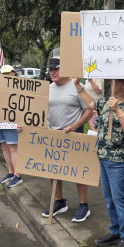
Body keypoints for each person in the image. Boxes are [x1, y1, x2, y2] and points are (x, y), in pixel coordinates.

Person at [74, 78, 124, 247]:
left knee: (122, 200)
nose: (110, 83)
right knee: (110, 199)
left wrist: (118, 110)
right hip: (104, 157)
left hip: (122, 161)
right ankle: (116, 231)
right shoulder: (107, 100)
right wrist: (77, 85)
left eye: (114, 81)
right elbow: (90, 102)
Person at [43, 57, 94, 222]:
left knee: (78, 171)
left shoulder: (76, 87)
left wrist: (75, 125)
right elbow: (39, 111)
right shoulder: (47, 88)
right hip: (53, 135)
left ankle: (83, 205)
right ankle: (59, 201)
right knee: (53, 170)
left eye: (56, 69)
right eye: (51, 70)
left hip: (74, 134)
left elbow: (89, 110)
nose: (53, 72)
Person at [0, 65, 23, 188]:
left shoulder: (20, 87)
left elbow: (24, 106)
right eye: (3, 74)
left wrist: (21, 122)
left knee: (13, 148)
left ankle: (17, 175)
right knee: (4, 147)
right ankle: (11, 172)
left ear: (13, 73)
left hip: (12, 123)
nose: (6, 76)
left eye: (8, 73)